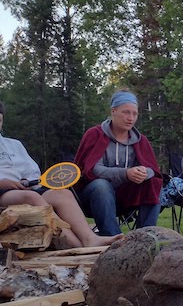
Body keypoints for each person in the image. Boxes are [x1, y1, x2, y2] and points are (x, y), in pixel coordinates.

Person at [0, 102, 120, 248]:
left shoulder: (14, 145)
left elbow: (32, 171)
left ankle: (90, 238)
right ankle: (77, 246)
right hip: (4, 193)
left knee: (62, 193)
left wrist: (28, 181)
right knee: (31, 197)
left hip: (25, 189)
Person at [74, 90, 162, 236]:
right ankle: (114, 238)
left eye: (135, 114)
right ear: (113, 111)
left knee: (154, 183)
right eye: (126, 112)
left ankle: (144, 236)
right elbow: (92, 170)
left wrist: (144, 172)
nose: (131, 118)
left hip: (125, 198)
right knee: (101, 185)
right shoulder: (95, 135)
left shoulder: (140, 140)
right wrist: (126, 173)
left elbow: (153, 169)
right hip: (93, 198)